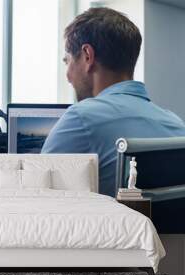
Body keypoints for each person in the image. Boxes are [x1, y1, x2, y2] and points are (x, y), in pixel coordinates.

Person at [41, 7, 185, 197]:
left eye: (67, 61)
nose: (68, 76)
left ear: (87, 56)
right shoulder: (176, 124)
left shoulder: (80, 118)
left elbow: (36, 200)